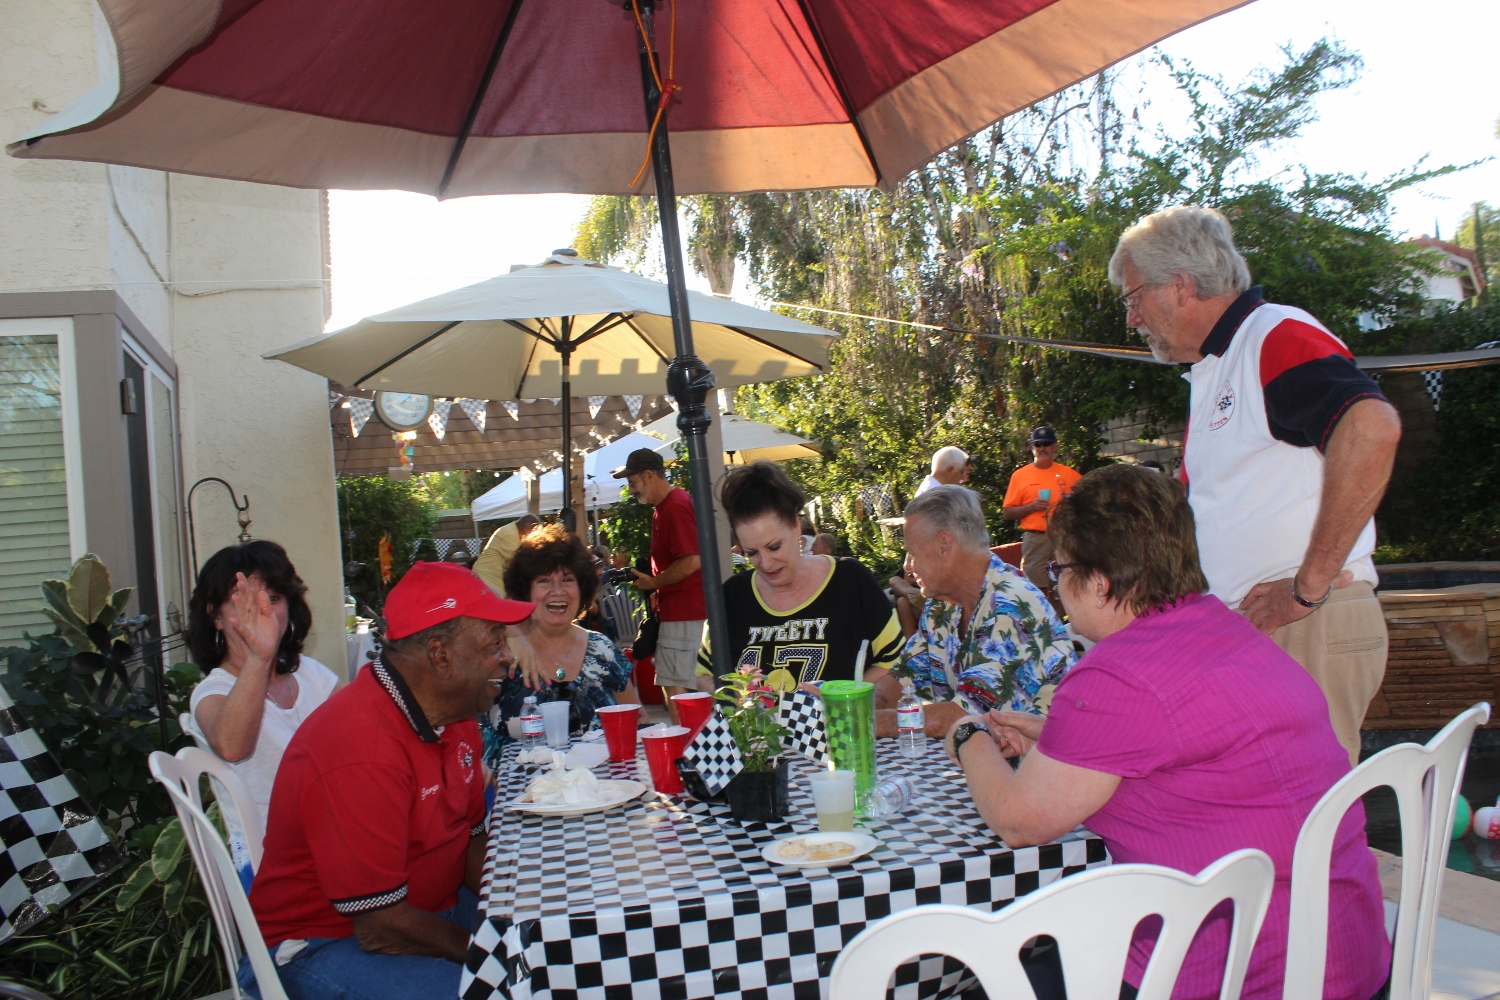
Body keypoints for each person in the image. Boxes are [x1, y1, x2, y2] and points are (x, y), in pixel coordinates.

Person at [947, 464, 1387, 1000]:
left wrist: (967, 734)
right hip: (1346, 958)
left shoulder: (1117, 674)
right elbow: (1186, 751)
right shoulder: (1229, 630)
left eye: (1058, 569)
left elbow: (1019, 822)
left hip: (1233, 973)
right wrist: (1056, 736)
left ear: (1100, 584)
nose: (1054, 585)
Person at [1109, 205, 1402, 763]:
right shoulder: (1220, 364)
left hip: (1306, 622)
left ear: (1179, 286)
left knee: (1308, 826)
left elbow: (1371, 427)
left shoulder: (1271, 334)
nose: (1132, 318)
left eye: (1133, 298)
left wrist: (1306, 588)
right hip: (1270, 631)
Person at [244, 561, 535, 1000]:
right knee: (504, 989)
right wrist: (489, 956)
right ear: (440, 655)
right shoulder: (361, 748)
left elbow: (474, 841)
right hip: (321, 943)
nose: (508, 656)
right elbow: (380, 925)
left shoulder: (454, 716)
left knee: (555, 951)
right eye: (495, 642)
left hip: (425, 912)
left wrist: (525, 910)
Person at [187, 541, 340, 893]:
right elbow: (231, 746)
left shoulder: (309, 673)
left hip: (335, 844)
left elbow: (366, 726)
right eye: (242, 601)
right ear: (215, 615)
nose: (262, 611)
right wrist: (259, 656)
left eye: (273, 598)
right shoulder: (212, 692)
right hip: (271, 869)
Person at [695, 462, 903, 696]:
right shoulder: (732, 596)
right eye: (751, 552)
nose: (765, 563)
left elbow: (896, 663)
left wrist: (842, 701)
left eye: (774, 547)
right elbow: (704, 674)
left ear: (796, 526)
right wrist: (739, 703)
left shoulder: (850, 581)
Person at [892, 485, 1074, 739]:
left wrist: (861, 719)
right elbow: (901, 681)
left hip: (1042, 769)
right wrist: (847, 700)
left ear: (945, 545)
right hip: (980, 763)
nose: (908, 567)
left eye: (912, 552)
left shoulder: (1009, 606)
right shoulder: (941, 605)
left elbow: (962, 719)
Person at [480, 525, 635, 767]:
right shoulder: (502, 652)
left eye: (567, 579)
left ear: (581, 588)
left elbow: (635, 718)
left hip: (602, 791)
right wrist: (509, 632)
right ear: (525, 590)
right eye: (544, 581)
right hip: (517, 796)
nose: (557, 591)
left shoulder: (602, 649)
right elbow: (459, 618)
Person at [613, 449, 704, 714]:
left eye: (632, 483)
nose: (630, 490)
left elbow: (692, 561)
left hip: (685, 610)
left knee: (675, 687)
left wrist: (654, 583)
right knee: (682, 684)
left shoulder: (674, 506)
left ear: (649, 475)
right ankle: (696, 747)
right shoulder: (666, 506)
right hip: (683, 610)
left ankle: (688, 750)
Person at [1001, 426, 1080, 596]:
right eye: (1038, 444)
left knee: (1068, 583)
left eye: (1047, 444)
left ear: (1055, 447)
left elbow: (1087, 501)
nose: (1042, 448)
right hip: (1035, 538)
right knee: (1034, 588)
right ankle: (1041, 620)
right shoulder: (1020, 475)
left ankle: (1064, 621)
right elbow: (1007, 512)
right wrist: (1032, 507)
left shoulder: (1068, 474)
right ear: (1032, 448)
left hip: (1063, 536)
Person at [471, 513, 539, 593]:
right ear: (526, 527)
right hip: (486, 577)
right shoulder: (509, 533)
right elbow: (518, 559)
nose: (532, 535)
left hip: (494, 578)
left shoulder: (513, 532)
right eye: (533, 531)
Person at [888, 553, 922, 640]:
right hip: (911, 591)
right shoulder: (912, 552)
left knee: (902, 601)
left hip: (925, 592)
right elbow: (908, 579)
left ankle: (909, 640)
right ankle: (914, 595)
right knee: (894, 580)